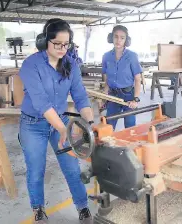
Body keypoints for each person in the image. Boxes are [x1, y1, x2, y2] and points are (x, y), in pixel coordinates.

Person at [19, 18, 94, 224]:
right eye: (57, 44)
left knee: (71, 167)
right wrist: (64, 130)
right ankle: (39, 209)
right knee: (36, 169)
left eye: (66, 44)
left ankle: (83, 207)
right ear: (45, 42)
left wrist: (90, 124)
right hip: (33, 125)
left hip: (60, 120)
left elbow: (80, 97)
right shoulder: (31, 65)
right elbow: (42, 103)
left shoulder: (71, 64)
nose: (62, 49)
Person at [102, 25, 142, 129]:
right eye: (116, 37)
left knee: (130, 126)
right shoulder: (106, 56)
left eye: (122, 37)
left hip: (128, 95)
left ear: (126, 40)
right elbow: (107, 80)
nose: (118, 40)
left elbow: (138, 80)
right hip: (112, 95)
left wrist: (135, 99)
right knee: (108, 125)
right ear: (111, 38)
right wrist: (104, 96)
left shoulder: (132, 56)